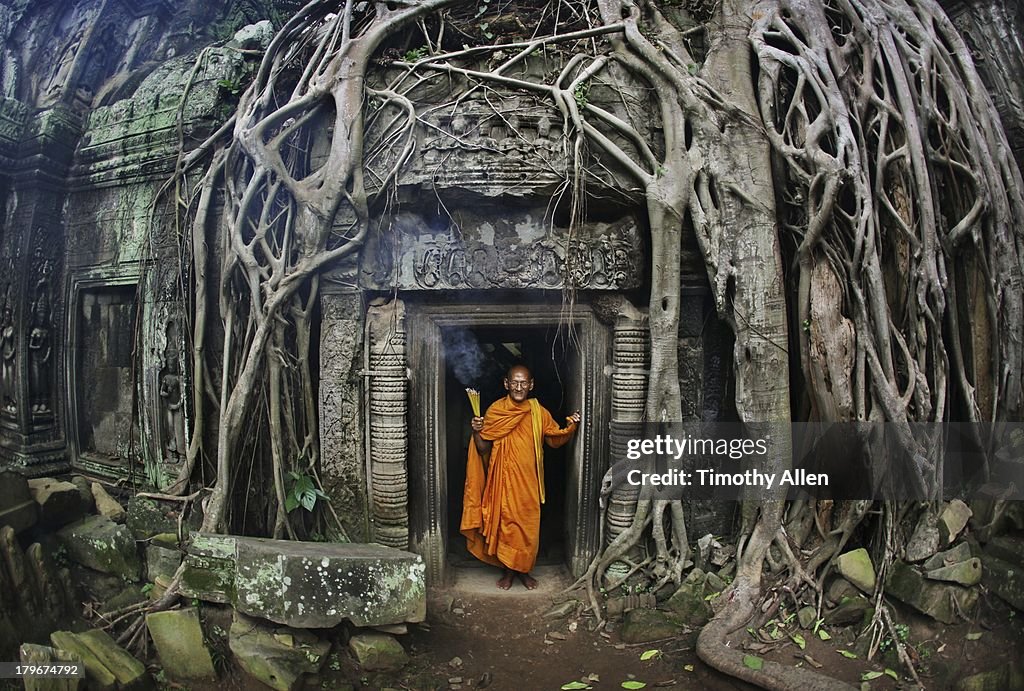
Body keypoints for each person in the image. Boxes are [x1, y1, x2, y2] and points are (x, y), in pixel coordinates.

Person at [460, 364, 581, 590]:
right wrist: (477, 430)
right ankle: (508, 572)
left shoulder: (538, 411)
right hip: (503, 483)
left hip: (529, 483)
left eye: (523, 383)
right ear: (506, 384)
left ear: (531, 385)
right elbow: (483, 448)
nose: (518, 387)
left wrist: (570, 426)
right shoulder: (496, 411)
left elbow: (553, 438)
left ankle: (524, 571)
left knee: (528, 528)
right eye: (514, 382)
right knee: (506, 526)